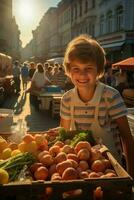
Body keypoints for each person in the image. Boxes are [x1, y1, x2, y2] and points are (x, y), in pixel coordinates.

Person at [50, 35, 134, 177]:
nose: (82, 74)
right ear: (69, 70)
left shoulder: (110, 96)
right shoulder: (67, 99)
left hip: (111, 170)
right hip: (78, 170)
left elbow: (127, 137)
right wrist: (56, 134)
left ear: (99, 70)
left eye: (88, 68)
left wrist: (130, 177)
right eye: (76, 68)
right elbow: (64, 134)